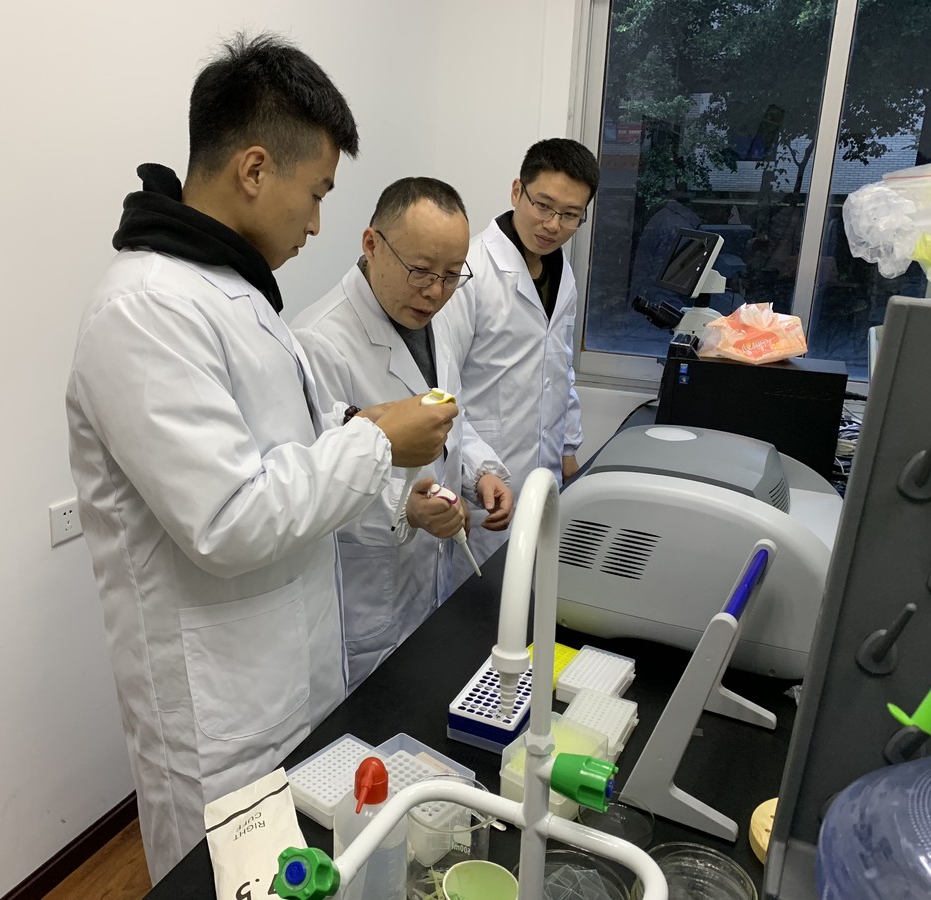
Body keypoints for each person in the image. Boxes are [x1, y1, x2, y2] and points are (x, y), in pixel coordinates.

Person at [64, 34, 456, 883]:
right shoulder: (146, 310)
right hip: (217, 713)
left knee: (303, 873)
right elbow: (229, 519)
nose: (316, 223)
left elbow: (294, 443)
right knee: (228, 880)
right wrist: (376, 440)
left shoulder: (235, 290)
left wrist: (372, 456)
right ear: (252, 169)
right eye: (315, 193)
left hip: (289, 671)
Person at [292, 178, 513, 689]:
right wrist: (403, 508)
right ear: (372, 244)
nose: (435, 291)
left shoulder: (435, 318)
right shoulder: (319, 341)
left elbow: (448, 417)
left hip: (428, 580)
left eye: (452, 275)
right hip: (368, 599)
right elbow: (311, 482)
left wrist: (478, 473)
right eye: (420, 270)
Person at [448, 138, 599, 573]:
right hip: (485, 477)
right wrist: (473, 472)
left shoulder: (561, 272)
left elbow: (560, 366)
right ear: (517, 191)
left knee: (535, 588)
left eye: (570, 215)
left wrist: (568, 447)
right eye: (543, 206)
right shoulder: (470, 270)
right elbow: (440, 387)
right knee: (483, 597)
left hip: (545, 473)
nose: (553, 225)